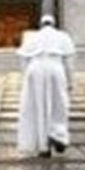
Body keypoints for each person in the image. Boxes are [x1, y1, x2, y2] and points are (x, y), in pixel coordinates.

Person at [16, 13, 76, 159]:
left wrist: (25, 79)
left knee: (37, 106)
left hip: (35, 67)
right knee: (59, 104)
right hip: (55, 66)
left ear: (41, 24)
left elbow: (23, 59)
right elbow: (69, 62)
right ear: (54, 24)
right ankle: (58, 134)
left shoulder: (31, 37)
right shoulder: (62, 36)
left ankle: (43, 144)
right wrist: (70, 81)